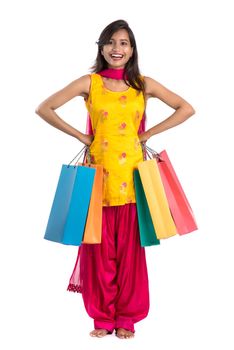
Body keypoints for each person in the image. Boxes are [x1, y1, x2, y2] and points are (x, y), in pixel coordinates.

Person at [35, 19, 195, 339]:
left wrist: (147, 133)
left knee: (130, 254)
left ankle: (127, 317)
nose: (116, 49)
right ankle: (102, 318)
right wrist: (82, 137)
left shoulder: (143, 85)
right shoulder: (89, 83)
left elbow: (185, 108)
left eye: (123, 43)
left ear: (132, 49)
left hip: (133, 180)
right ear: (101, 48)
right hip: (98, 181)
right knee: (99, 252)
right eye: (110, 42)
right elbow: (45, 108)